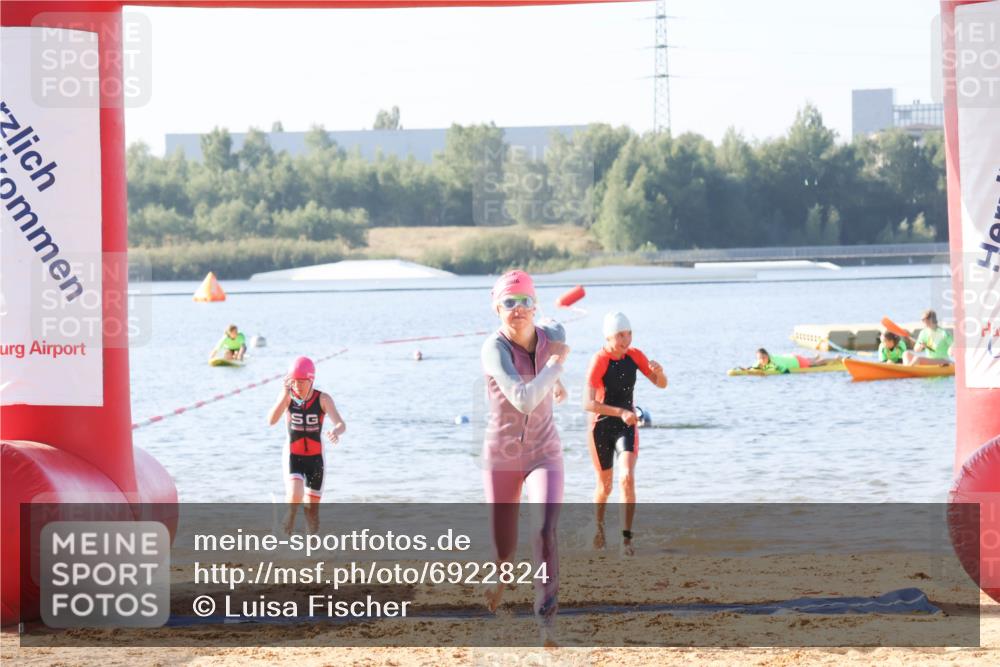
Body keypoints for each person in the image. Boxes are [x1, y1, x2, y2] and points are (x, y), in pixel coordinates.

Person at [480, 269, 569, 644]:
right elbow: (523, 398)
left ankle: (546, 622)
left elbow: (553, 338)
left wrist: (556, 376)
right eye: (509, 302)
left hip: (544, 452)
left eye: (526, 301)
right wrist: (555, 370)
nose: (518, 309)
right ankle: (501, 577)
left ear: (536, 306)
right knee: (505, 551)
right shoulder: (493, 349)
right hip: (502, 457)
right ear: (497, 308)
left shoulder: (554, 336)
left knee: (544, 529)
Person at [583, 312, 667, 557]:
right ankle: (598, 528)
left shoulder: (635, 356)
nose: (625, 339)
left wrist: (660, 373)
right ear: (608, 336)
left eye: (628, 333)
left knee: (627, 477)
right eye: (620, 335)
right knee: (605, 486)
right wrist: (620, 411)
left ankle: (626, 540)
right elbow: (587, 403)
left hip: (625, 426)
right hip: (600, 428)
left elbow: (661, 384)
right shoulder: (599, 360)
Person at [267, 356, 346, 534]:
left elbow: (341, 424)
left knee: (312, 511)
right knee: (295, 495)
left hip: (316, 459)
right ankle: (289, 521)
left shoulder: (323, 399)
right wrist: (284, 396)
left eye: (302, 382)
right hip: (293, 455)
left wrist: (335, 432)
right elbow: (271, 421)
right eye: (294, 382)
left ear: (311, 380)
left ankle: (311, 552)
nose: (298, 386)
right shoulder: (287, 397)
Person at [747, 348, 840, 373]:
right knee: (809, 360)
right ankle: (815, 356)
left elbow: (785, 371)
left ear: (767, 355)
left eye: (763, 357)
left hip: (797, 362)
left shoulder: (774, 362)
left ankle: (835, 359)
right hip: (791, 357)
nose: (762, 360)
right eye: (759, 358)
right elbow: (753, 367)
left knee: (816, 364)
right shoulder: (760, 361)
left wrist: (773, 369)